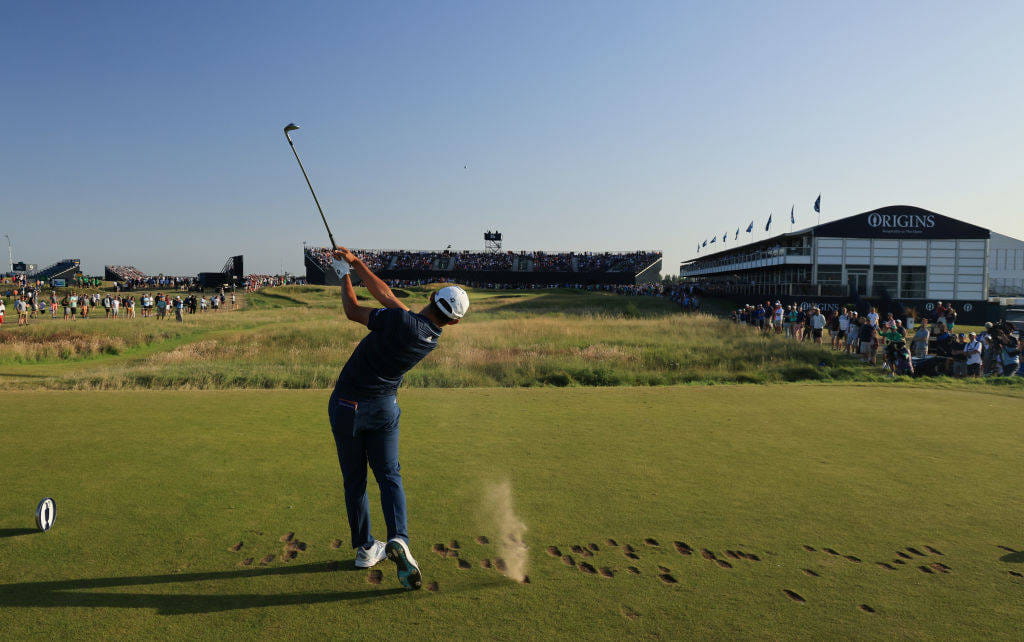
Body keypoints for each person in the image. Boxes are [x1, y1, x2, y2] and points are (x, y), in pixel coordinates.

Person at [327, 246, 469, 591]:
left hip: (347, 405)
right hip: (385, 408)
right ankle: (399, 539)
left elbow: (352, 310)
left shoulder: (401, 320)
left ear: (432, 296)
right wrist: (356, 263)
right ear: (453, 321)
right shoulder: (429, 335)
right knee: (389, 475)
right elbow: (389, 297)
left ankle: (365, 548)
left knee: (355, 480)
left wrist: (341, 272)